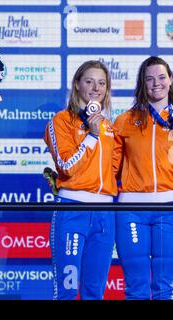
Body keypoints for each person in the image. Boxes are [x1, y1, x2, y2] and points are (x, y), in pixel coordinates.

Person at [112, 56, 173, 300]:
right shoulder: (124, 121)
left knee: (164, 289)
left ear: (171, 80)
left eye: (162, 77)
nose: (156, 84)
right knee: (136, 288)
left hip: (169, 210)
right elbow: (109, 169)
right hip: (131, 210)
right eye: (149, 79)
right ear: (142, 83)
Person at [43, 60, 117, 300]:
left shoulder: (109, 127)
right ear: (77, 85)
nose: (96, 88)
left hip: (105, 215)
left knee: (94, 292)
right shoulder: (62, 121)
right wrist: (91, 137)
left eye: (102, 83)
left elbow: (114, 169)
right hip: (72, 211)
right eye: (89, 81)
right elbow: (67, 167)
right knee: (66, 291)